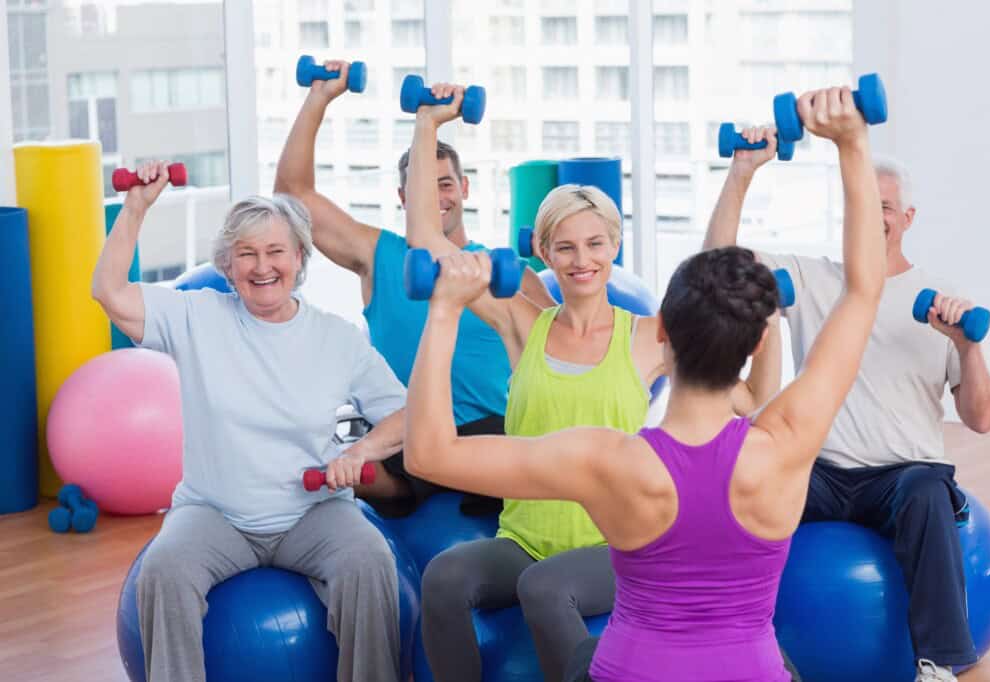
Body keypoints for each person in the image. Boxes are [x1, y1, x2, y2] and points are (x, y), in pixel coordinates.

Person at [404, 84, 786, 682]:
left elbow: (718, 273)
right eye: (565, 247)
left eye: (595, 244)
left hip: (620, 542)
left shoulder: (649, 335)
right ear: (543, 253)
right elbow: (429, 241)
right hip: (525, 537)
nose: (581, 260)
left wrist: (739, 175)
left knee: (544, 589)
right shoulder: (523, 317)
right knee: (445, 578)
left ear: (615, 247)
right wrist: (427, 124)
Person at [703, 126, 990, 682]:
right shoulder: (810, 279)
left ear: (906, 218)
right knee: (745, 482)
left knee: (927, 490)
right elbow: (715, 267)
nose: (873, 216)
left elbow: (982, 419)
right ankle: (726, 642)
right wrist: (742, 172)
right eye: (863, 205)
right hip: (819, 468)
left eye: (885, 207)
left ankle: (938, 664)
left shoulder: (940, 296)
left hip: (902, 476)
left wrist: (968, 345)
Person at [92, 162, 406, 682]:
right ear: (228, 264)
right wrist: (136, 208)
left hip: (313, 511)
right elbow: (110, 292)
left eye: (275, 251)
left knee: (370, 559)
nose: (262, 267)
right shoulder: (197, 317)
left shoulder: (336, 336)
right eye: (247, 254)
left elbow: (406, 414)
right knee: (164, 569)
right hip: (216, 513)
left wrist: (358, 454)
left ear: (300, 258)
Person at [274, 60, 555, 517]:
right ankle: (364, 479)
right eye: (426, 187)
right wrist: (318, 98)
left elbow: (558, 355)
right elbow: (291, 197)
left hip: (495, 432)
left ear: (464, 188)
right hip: (405, 436)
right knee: (373, 462)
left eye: (447, 184)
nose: (438, 197)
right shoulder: (377, 254)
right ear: (404, 199)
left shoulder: (508, 271)